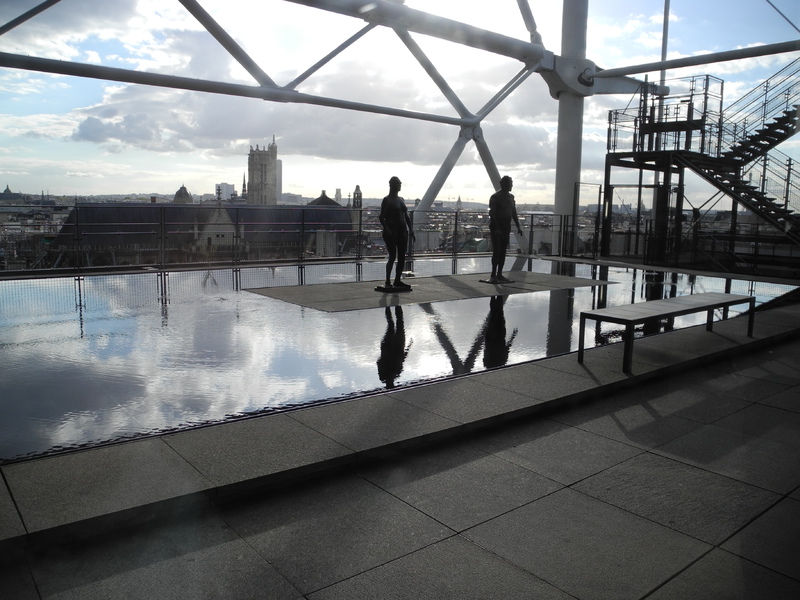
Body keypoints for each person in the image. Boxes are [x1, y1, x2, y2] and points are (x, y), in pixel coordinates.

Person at [379, 176, 415, 289]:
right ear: (393, 185)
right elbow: (381, 217)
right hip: (392, 231)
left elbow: (406, 217)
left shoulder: (401, 199)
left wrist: (411, 229)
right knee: (392, 256)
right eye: (399, 183)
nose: (400, 185)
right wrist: (387, 229)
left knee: (402, 257)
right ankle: (388, 281)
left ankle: (397, 280)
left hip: (402, 231)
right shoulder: (387, 200)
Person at [488, 175, 523, 284]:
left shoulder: (511, 197)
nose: (511, 186)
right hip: (496, 227)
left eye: (511, 184)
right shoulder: (495, 197)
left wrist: (518, 226)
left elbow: (513, 213)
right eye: (509, 184)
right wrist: (496, 228)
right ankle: (493, 274)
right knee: (497, 251)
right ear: (503, 184)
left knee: (503, 251)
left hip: (506, 227)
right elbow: (492, 213)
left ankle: (499, 274)